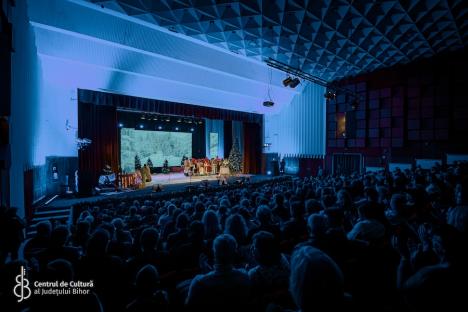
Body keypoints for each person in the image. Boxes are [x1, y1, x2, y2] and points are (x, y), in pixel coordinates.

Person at [185, 234, 252, 311]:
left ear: (214, 252)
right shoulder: (244, 277)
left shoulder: (199, 282)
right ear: (234, 252)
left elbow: (188, 305)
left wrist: (205, 273)